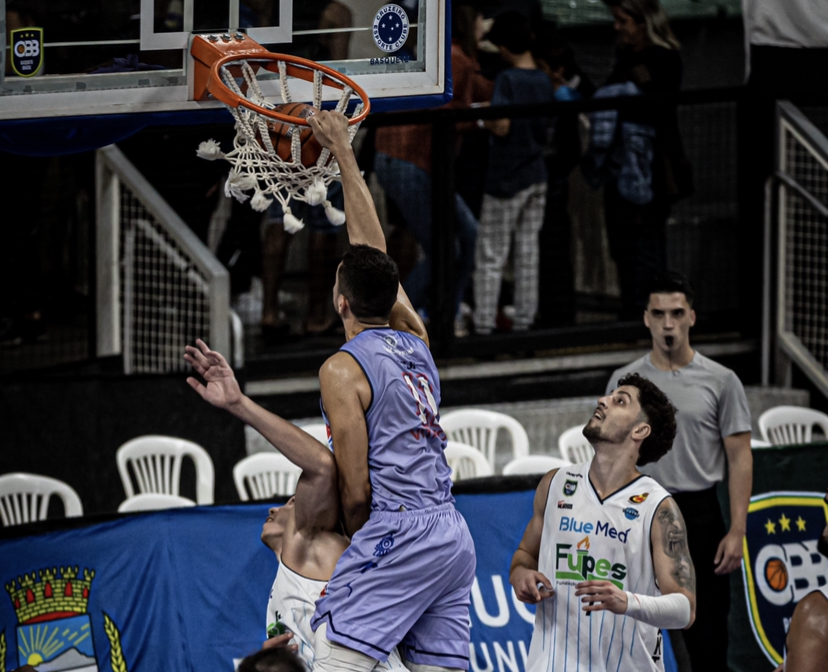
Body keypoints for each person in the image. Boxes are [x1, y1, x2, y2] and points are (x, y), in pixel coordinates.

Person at [303, 110, 476, 672]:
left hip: (399, 529)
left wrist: (360, 539)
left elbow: (356, 490)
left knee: (331, 653)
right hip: (451, 533)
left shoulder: (341, 370)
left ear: (341, 302)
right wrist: (346, 153)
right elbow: (371, 251)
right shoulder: (416, 337)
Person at [184, 339, 407, 672]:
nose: (272, 510)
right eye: (290, 503)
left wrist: (239, 404)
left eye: (290, 503)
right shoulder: (290, 578)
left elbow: (320, 464)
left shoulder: (309, 543)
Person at [607, 271, 753, 671]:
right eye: (659, 313)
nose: (667, 323)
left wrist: (737, 531)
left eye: (676, 313)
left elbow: (740, 456)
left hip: (700, 514)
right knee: (638, 625)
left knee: (706, 629)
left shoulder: (722, 381)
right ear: (646, 318)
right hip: (640, 510)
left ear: (691, 316)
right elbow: (610, 452)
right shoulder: (627, 383)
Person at [511, 372, 696, 670]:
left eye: (619, 400)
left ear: (640, 430)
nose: (603, 400)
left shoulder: (659, 508)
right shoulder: (555, 484)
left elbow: (685, 609)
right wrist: (520, 575)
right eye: (609, 395)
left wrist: (627, 601)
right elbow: (524, 556)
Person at [373, 3, 492, 323]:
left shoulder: (451, 58)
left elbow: (473, 94)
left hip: (410, 162)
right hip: (408, 161)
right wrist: (483, 122)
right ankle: (392, 319)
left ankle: (443, 317)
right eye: (482, 17)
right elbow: (450, 112)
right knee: (446, 248)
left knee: (467, 237)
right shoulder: (455, 58)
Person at [596, 0, 687, 319]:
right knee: (625, 243)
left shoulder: (662, 59)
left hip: (650, 166)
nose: (617, 28)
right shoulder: (629, 58)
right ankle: (633, 308)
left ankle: (647, 312)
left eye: (624, 21)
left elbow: (654, 104)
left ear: (642, 22)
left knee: (646, 242)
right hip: (624, 164)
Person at [472, 11, 554, 334]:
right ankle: (524, 323)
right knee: (527, 252)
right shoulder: (544, 80)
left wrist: (481, 118)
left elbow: (502, 125)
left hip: (506, 178)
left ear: (505, 47)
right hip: (537, 173)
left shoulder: (507, 80)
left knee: (491, 255)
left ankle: (483, 326)